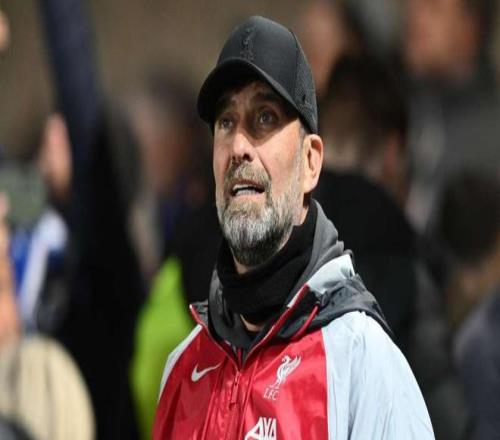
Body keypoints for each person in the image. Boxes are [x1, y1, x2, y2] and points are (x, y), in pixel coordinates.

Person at [154, 16, 434, 439]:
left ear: (311, 162)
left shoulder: (361, 360)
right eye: (226, 122)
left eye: (265, 118)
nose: (239, 146)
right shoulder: (183, 369)